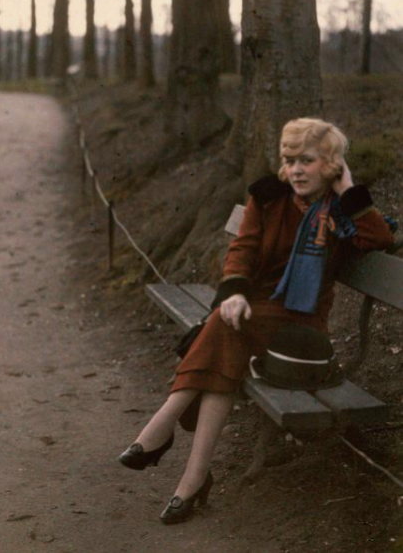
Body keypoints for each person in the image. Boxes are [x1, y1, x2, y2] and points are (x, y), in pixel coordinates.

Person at [118, 118, 395, 524]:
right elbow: (242, 251)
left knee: (226, 326)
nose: (296, 169)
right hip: (253, 314)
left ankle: (160, 429)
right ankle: (192, 479)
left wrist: (349, 188)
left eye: (308, 160)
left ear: (331, 165)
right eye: (290, 160)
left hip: (301, 329)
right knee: (229, 330)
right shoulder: (268, 198)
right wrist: (233, 293)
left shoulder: (341, 211)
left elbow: (379, 240)